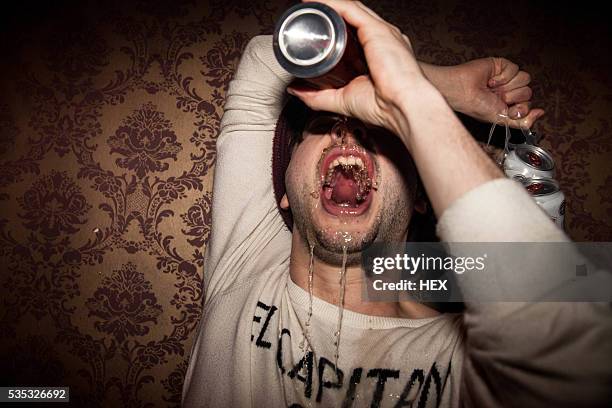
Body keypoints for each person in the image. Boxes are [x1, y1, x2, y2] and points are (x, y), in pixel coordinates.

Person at [182, 1, 612, 406]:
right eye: (322, 124)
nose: (348, 132)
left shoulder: (459, 358)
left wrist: (412, 98)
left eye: (382, 131)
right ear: (284, 192)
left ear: (422, 198)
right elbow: (266, 58)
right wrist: (451, 88)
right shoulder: (246, 261)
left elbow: (576, 359)